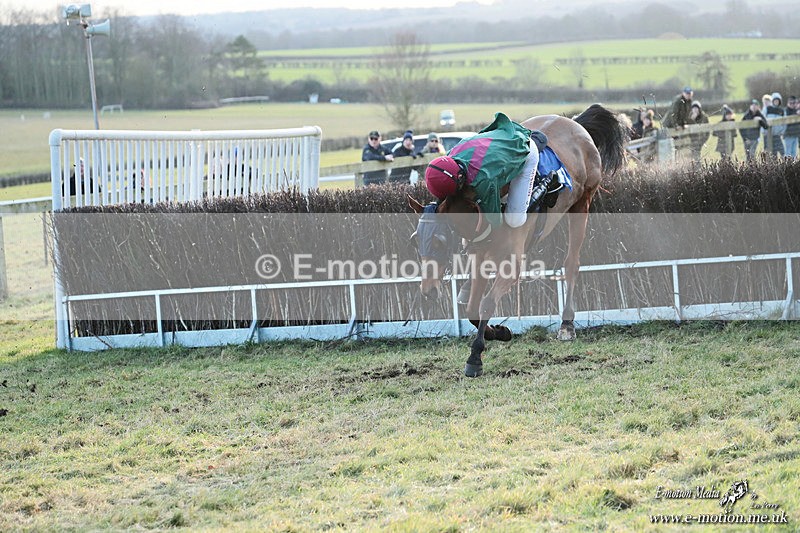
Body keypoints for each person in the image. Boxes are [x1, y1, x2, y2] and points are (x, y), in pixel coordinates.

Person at [423, 112, 541, 233]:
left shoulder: (483, 180)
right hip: (504, 134)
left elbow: (495, 221)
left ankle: (541, 188)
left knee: (514, 220)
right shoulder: (450, 156)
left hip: (525, 149)